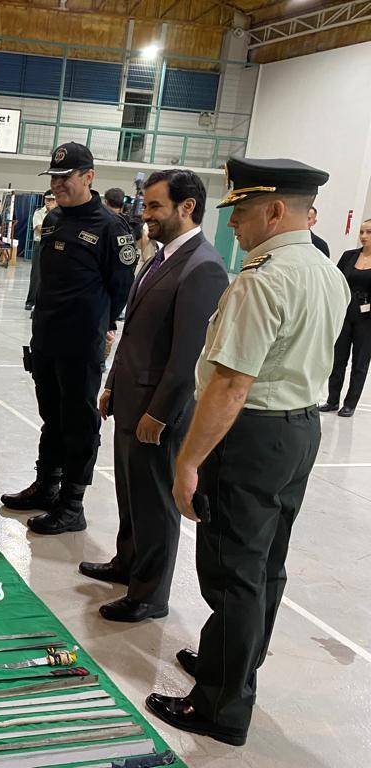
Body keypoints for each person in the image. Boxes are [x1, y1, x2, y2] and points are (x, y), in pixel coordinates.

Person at [147, 158, 349, 746]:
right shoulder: (324, 270)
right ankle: (232, 666)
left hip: (252, 435)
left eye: (241, 211)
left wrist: (188, 462)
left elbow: (232, 385)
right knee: (267, 564)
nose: (233, 223)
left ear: (275, 211)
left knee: (233, 572)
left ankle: (220, 707)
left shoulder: (262, 279)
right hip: (299, 431)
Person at [80, 169, 228, 623]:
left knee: (157, 504)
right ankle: (128, 563)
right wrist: (110, 385)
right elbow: (135, 331)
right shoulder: (162, 256)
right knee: (131, 494)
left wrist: (160, 414)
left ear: (188, 207)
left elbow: (187, 357)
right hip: (129, 399)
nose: (146, 215)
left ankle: (149, 595)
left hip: (156, 412)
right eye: (145, 205)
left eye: (156, 206)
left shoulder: (202, 266)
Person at [1, 143, 136, 533]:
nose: (58, 184)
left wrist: (104, 326)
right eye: (54, 178)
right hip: (46, 338)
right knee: (52, 418)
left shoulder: (111, 227)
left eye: (66, 177)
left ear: (89, 176)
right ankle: (47, 486)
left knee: (79, 422)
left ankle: (72, 504)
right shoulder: (54, 219)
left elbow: (121, 286)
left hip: (81, 343)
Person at [320, 218, 371, 417]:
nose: (364, 236)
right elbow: (336, 282)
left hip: (367, 320)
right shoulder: (349, 256)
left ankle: (350, 403)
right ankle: (332, 400)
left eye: (368, 232)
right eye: (361, 232)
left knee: (360, 363)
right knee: (338, 359)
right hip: (345, 314)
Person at [25, 193, 56, 311]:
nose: (50, 202)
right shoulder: (38, 213)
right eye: (48, 199)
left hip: (54, 246)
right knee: (36, 274)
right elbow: (39, 228)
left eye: (52, 200)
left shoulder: (60, 214)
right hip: (40, 244)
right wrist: (54, 229)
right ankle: (30, 301)